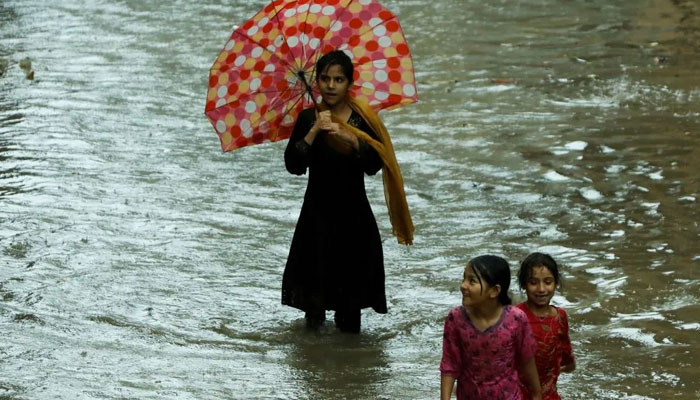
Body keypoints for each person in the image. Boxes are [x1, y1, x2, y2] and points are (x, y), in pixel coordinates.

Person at [282, 50, 414, 333]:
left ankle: (351, 366)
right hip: (316, 220)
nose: (331, 85)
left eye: (338, 79)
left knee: (350, 313)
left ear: (349, 83)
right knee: (313, 311)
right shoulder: (309, 118)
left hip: (353, 221)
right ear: (316, 82)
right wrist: (314, 131)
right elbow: (293, 165)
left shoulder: (363, 121)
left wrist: (352, 142)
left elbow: (375, 164)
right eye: (325, 79)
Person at [440, 255, 543, 400]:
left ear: (494, 291)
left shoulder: (515, 319)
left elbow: (527, 359)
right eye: (464, 278)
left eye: (472, 281)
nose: (463, 286)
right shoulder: (456, 319)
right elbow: (449, 365)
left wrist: (536, 394)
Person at [516, 252, 575, 400]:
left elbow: (567, 360)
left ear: (556, 283)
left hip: (548, 394)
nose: (541, 289)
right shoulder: (515, 317)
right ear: (524, 284)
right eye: (534, 282)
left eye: (548, 282)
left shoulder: (559, 316)